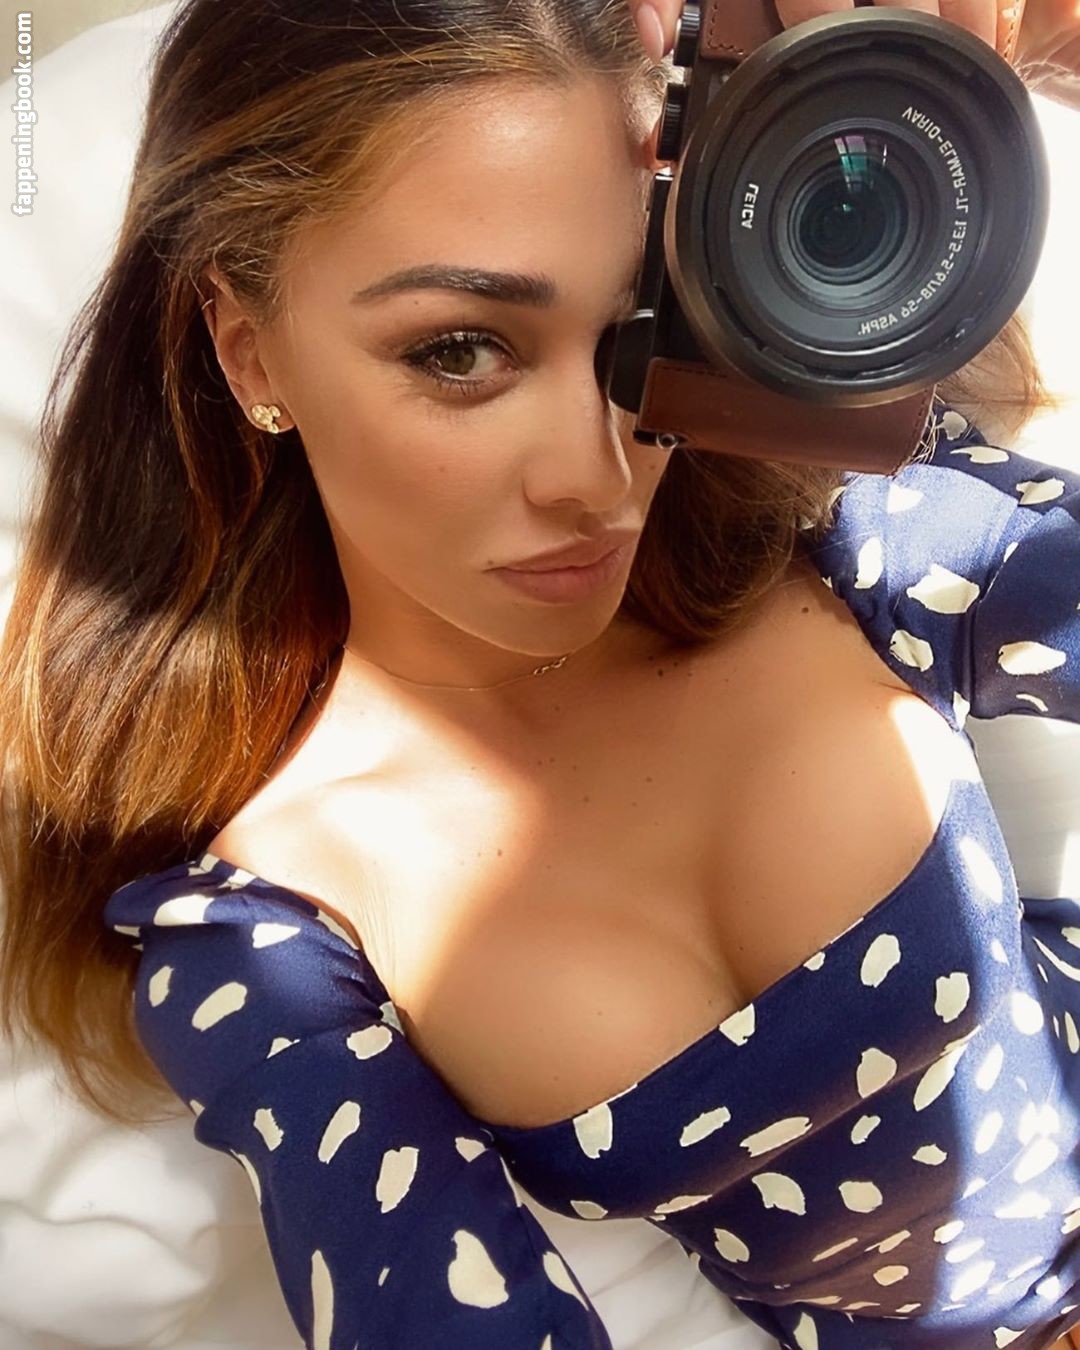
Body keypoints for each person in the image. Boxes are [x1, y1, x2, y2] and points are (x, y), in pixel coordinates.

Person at [0, 0, 1077, 1345]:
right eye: (460, 350)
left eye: (648, 331)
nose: (596, 474)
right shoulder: (265, 936)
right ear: (248, 348)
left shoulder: (843, 540)